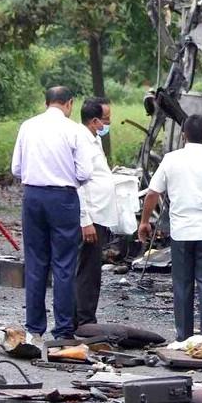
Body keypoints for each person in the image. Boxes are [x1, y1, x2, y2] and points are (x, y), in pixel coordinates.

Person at [139, 115, 202, 342]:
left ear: (184, 134)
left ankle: (183, 337)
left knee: (182, 284)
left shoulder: (171, 160)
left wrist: (145, 222)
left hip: (181, 233)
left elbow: (153, 193)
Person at [11, 86, 94, 341]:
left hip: (33, 197)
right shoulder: (75, 130)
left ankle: (34, 328)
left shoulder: (28, 126)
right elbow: (85, 173)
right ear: (69, 104)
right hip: (64, 199)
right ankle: (63, 329)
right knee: (64, 265)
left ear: (46, 102)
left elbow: (16, 168)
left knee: (36, 262)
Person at [74, 97, 117, 330]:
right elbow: (78, 183)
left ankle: (81, 318)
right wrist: (85, 220)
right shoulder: (82, 142)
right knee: (87, 271)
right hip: (90, 216)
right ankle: (84, 321)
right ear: (94, 121)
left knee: (90, 270)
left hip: (98, 214)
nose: (108, 124)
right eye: (106, 120)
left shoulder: (93, 139)